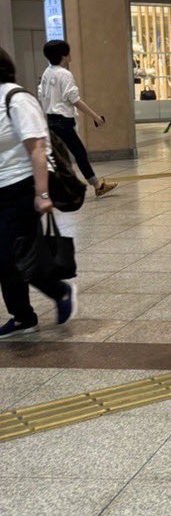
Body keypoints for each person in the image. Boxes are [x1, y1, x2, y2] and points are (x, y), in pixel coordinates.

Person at [0, 47, 76, 338]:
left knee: (11, 254)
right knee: (10, 255)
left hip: (21, 187)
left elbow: (37, 150)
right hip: (1, 189)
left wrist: (42, 194)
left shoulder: (17, 99)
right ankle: (25, 314)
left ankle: (46, 300)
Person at [37, 40, 117, 198]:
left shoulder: (47, 72)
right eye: (68, 53)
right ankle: (97, 185)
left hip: (51, 120)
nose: (70, 56)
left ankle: (46, 190)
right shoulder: (64, 74)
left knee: (55, 156)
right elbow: (74, 99)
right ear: (63, 56)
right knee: (78, 153)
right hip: (64, 122)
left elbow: (41, 94)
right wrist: (95, 117)